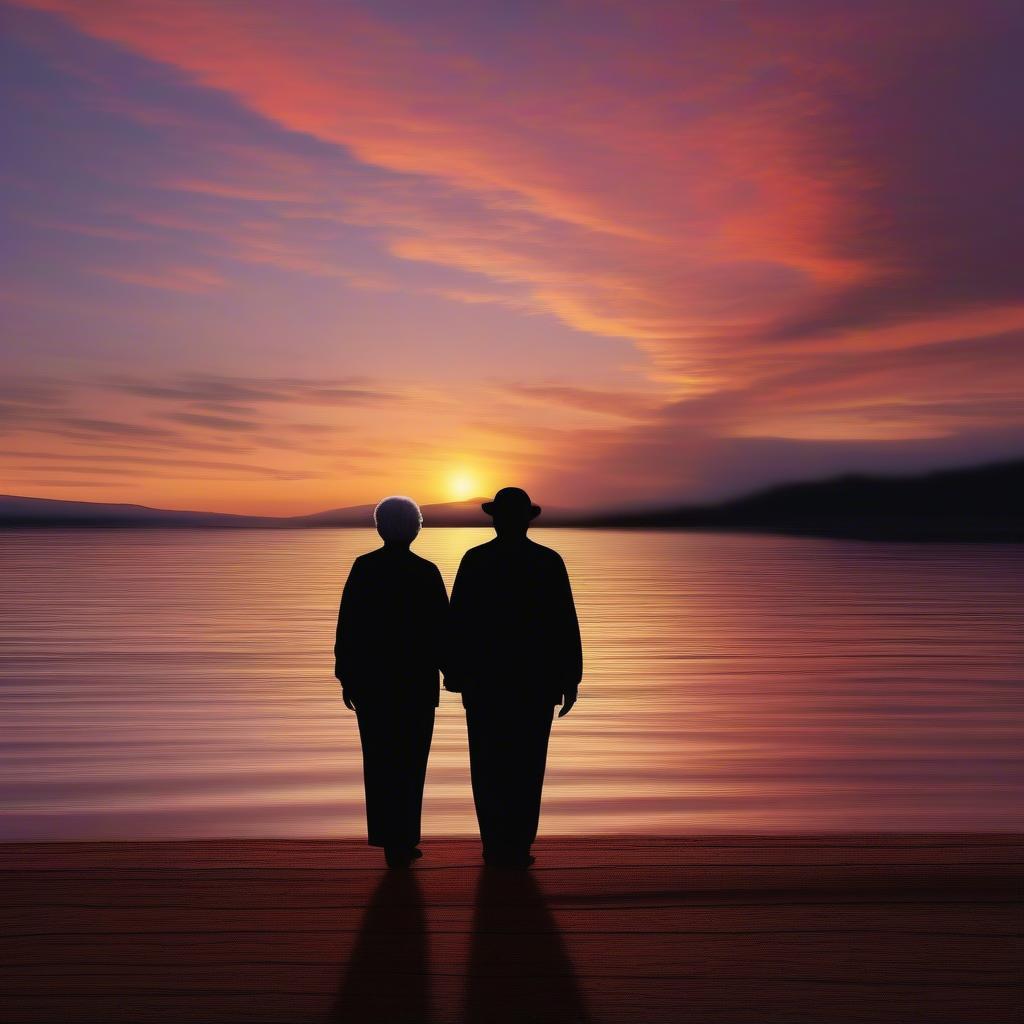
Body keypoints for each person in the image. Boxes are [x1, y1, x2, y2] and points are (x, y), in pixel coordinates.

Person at [446, 487, 582, 868]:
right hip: (534, 684)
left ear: (495, 519)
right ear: (526, 520)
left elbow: (457, 622)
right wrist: (570, 679)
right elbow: (564, 626)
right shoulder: (547, 561)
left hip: (484, 683)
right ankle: (518, 845)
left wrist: (454, 673)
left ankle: (494, 844)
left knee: (487, 765)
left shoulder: (475, 560)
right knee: (527, 765)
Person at [334, 496, 448, 868]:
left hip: (373, 682)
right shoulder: (426, 571)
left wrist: (346, 675)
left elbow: (347, 625)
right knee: (412, 762)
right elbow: (442, 632)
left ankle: (389, 840)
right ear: (416, 528)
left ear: (380, 528)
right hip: (416, 682)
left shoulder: (365, 568)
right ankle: (405, 839)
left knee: (380, 760)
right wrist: (454, 673)